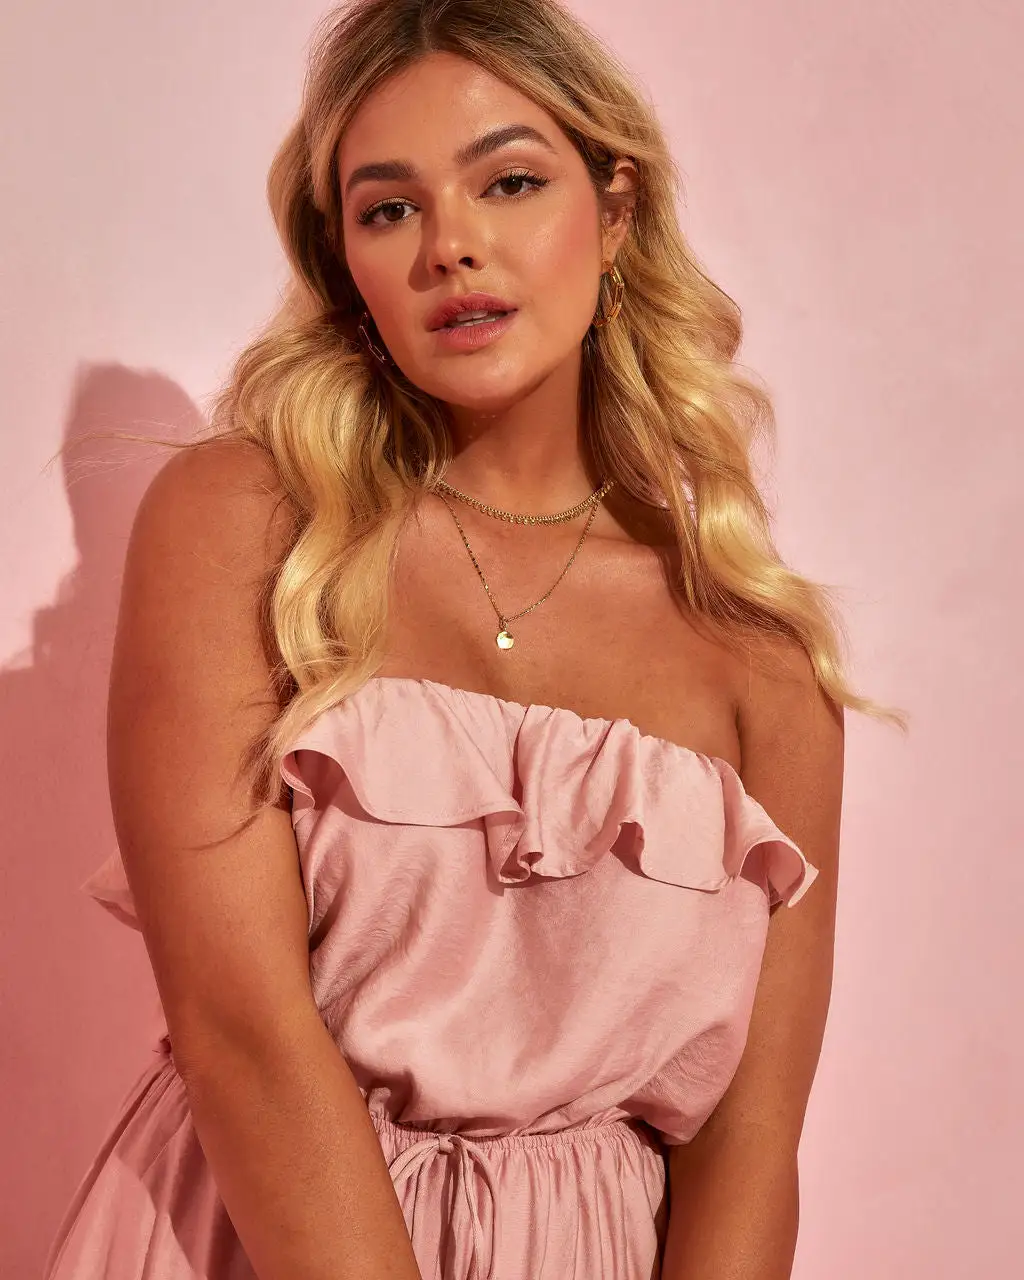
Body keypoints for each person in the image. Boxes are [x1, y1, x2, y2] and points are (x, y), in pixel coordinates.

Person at [43, 1, 904, 1277]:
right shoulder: (243, 523)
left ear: (615, 212)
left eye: (509, 182)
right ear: (345, 263)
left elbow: (747, 1142)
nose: (451, 245)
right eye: (389, 208)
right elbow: (240, 1031)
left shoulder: (759, 659)